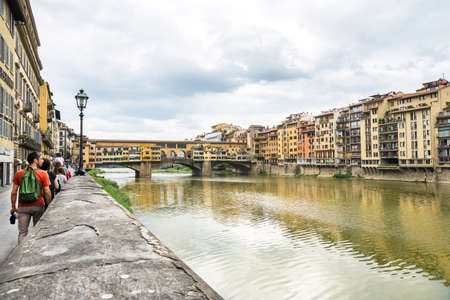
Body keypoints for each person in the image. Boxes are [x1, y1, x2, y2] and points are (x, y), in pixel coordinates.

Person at [10, 152, 51, 244]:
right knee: (38, 232)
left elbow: (14, 192)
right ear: (35, 160)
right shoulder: (43, 173)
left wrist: (13, 207)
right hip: (38, 206)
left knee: (22, 233)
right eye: (41, 158)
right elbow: (47, 192)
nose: (43, 160)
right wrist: (49, 205)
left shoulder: (19, 173)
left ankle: (20, 255)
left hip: (22, 207)